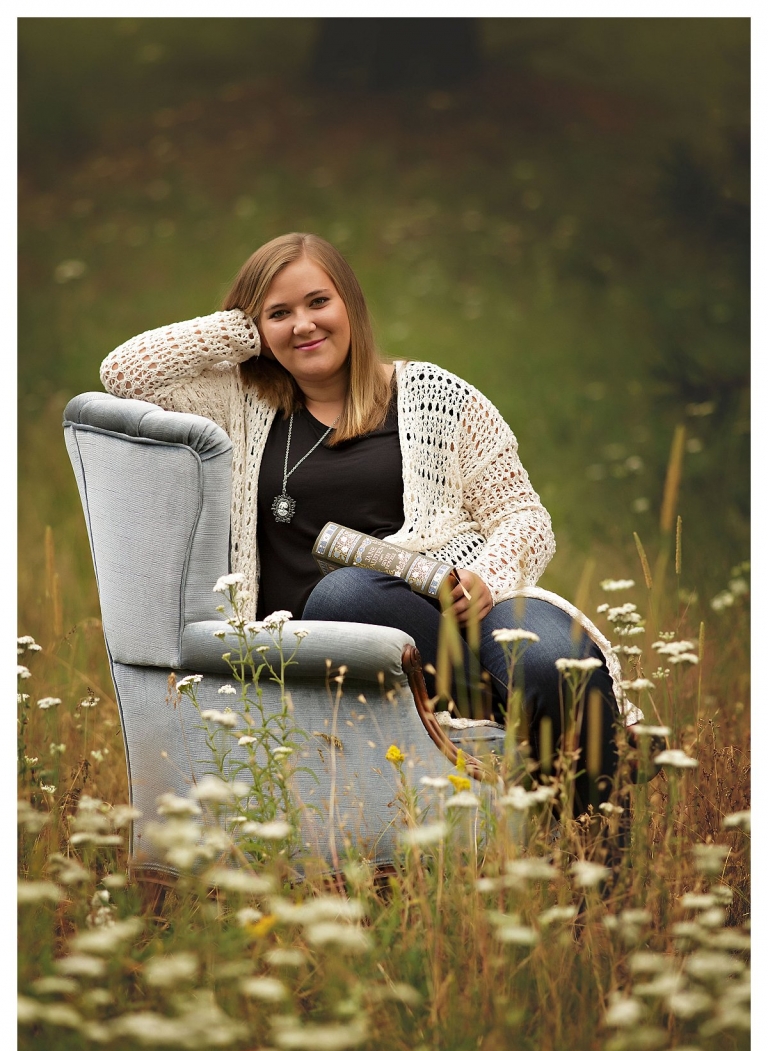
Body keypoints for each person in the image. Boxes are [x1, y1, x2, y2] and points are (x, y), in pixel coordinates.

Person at [100, 232, 640, 808]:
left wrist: (490, 576)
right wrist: (243, 326)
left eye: (318, 302)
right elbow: (126, 372)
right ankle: (516, 709)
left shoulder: (438, 396)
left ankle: (598, 856)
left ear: (350, 305)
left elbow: (523, 515)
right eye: (279, 313)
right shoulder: (237, 402)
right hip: (344, 629)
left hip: (469, 603)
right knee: (346, 596)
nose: (303, 325)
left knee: (558, 662)